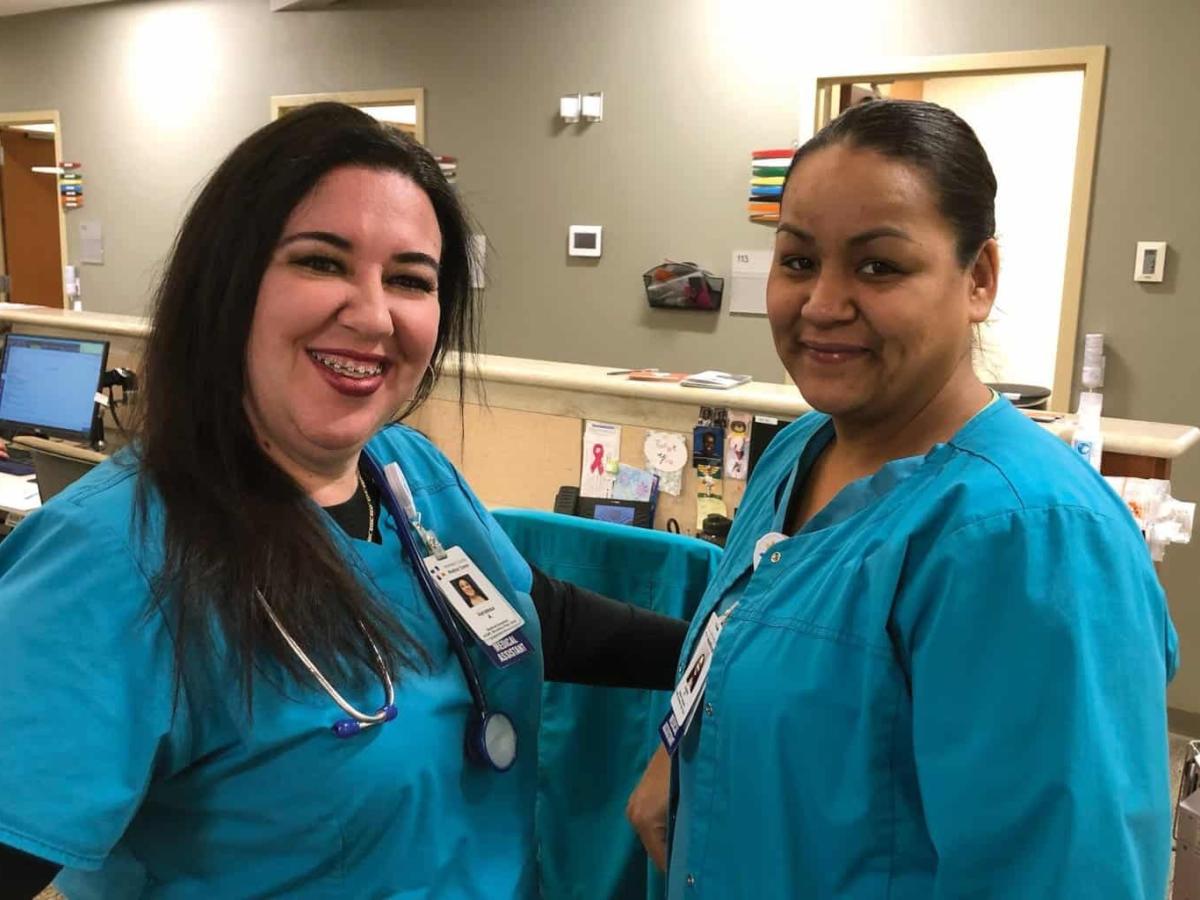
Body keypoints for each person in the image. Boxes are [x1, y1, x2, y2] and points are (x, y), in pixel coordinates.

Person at [0, 103, 687, 899]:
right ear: (228, 283)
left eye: (410, 279)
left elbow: (528, 613)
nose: (372, 315)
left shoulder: (407, 473)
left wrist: (733, 653)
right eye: (321, 263)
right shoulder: (112, 560)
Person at [627, 99, 1178, 898]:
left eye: (879, 266)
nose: (822, 303)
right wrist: (680, 753)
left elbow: (1065, 874)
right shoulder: (798, 452)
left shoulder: (1026, 536)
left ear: (978, 278)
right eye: (798, 260)